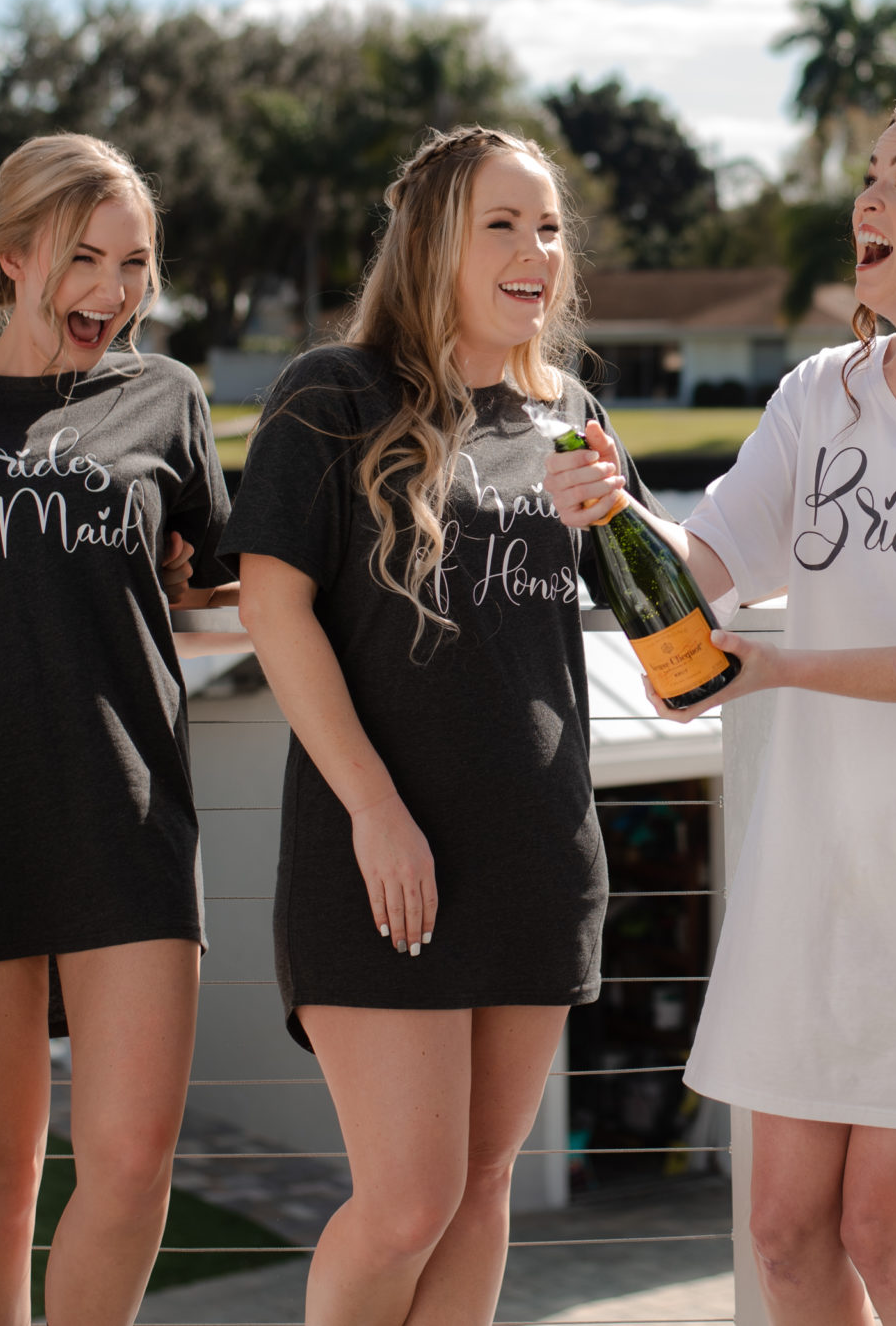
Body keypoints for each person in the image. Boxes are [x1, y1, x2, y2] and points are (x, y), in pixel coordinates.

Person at [547, 94, 896, 1323]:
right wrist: (610, 513)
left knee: (884, 1234)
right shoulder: (819, 393)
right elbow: (706, 561)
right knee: (786, 1231)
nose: (862, 200)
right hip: (817, 865)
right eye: (865, 175)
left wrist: (779, 669)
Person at [225, 126, 645, 1326]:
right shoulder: (333, 392)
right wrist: (373, 807)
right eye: (501, 225)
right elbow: (272, 602)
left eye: (550, 226)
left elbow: (676, 614)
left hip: (537, 856)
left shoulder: (571, 417)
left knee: (479, 1187)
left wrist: (617, 513)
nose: (535, 251)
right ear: (431, 244)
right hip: (384, 856)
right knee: (407, 1199)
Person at [0, 134, 239, 1324]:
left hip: (127, 821)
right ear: (11, 257)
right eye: (84, 258)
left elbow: (224, 581)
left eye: (133, 263)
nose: (113, 292)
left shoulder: (165, 398)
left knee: (127, 1165)